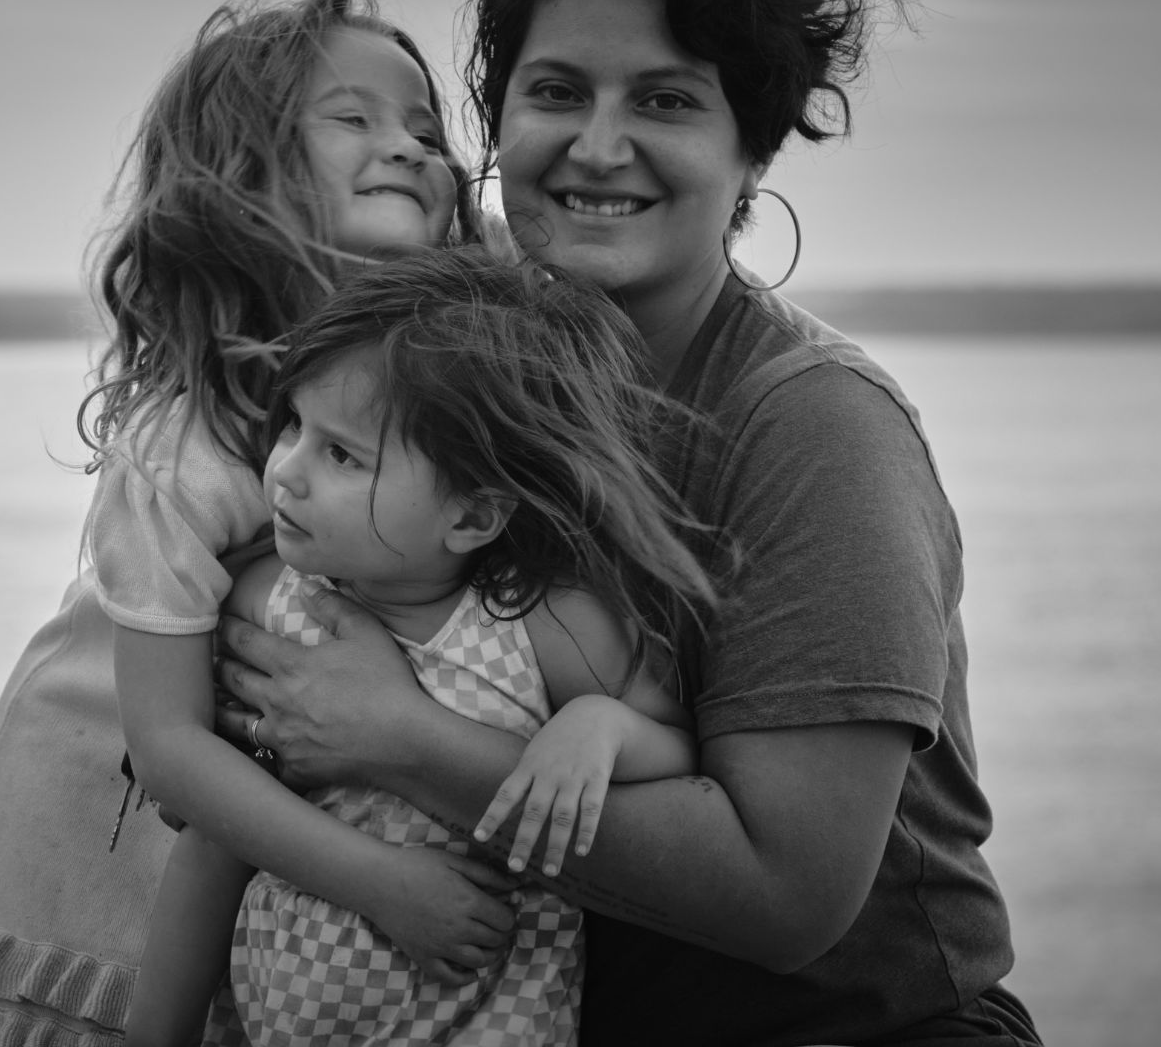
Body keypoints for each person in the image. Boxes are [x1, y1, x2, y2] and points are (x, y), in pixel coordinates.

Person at [213, 0, 1043, 1043]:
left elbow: (788, 894)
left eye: (665, 101)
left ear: (752, 148)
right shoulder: (452, 379)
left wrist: (401, 741)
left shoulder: (813, 428)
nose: (598, 148)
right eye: (556, 92)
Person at [0, 0, 479, 1046]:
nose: (406, 147)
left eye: (423, 129)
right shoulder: (189, 444)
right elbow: (166, 752)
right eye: (352, 119)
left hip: (257, 894)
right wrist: (384, 883)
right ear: (241, 177)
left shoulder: (434, 412)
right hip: (94, 875)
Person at [124, 251, 719, 1045]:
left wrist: (598, 728)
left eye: (342, 454)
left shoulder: (546, 627)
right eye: (294, 425)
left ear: (471, 517)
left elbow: (677, 750)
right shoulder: (272, 610)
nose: (285, 472)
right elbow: (213, 842)